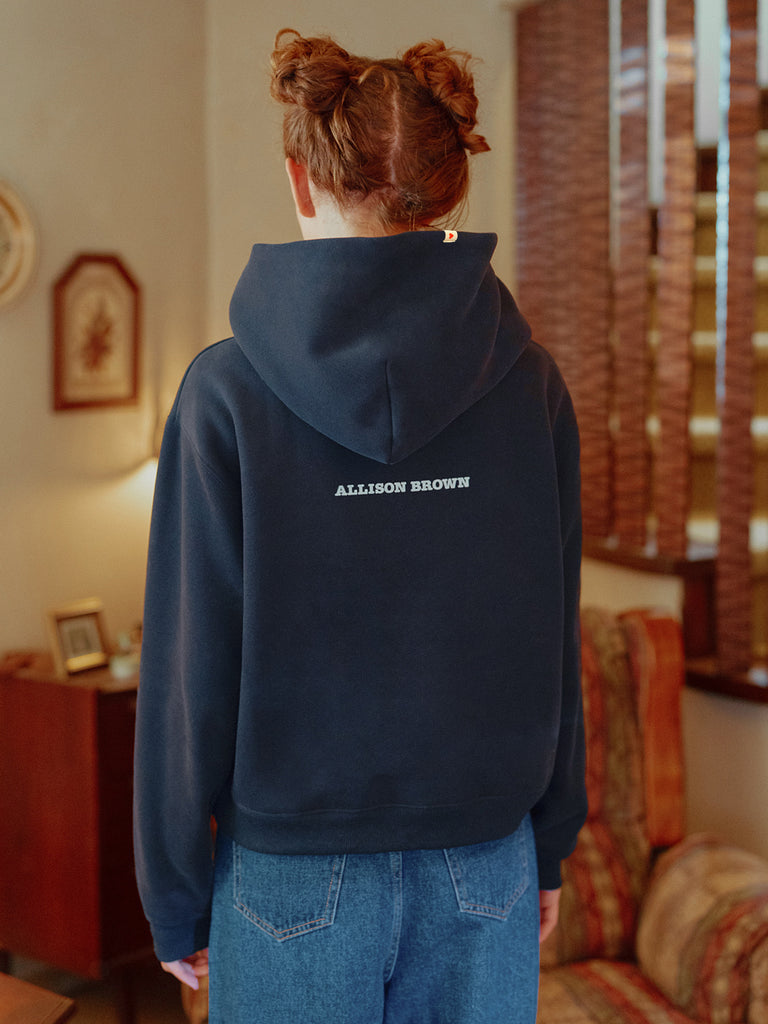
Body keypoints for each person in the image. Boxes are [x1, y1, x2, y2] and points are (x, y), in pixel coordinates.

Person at [133, 28, 586, 1024]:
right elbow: (553, 636)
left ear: (301, 180)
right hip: (487, 861)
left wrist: (173, 892)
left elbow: (187, 669)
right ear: (449, 189)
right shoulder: (533, 388)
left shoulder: (224, 394)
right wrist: (550, 840)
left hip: (289, 872)